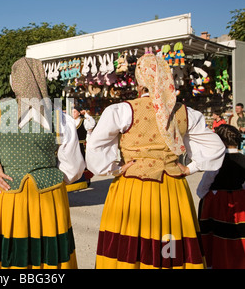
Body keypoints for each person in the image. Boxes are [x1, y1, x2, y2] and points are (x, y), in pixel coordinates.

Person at [86, 53, 225, 269]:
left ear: (140, 82)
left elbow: (95, 147)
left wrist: (113, 169)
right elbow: (216, 148)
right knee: (168, 243)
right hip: (172, 187)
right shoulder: (186, 113)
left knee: (132, 244)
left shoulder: (122, 110)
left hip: (132, 185)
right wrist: (190, 169)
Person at [0, 57, 85, 269]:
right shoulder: (59, 116)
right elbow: (74, 168)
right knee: (48, 253)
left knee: (7, 251)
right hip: (49, 196)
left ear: (14, 83)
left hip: (6, 191)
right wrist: (53, 179)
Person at [197, 124, 245, 269]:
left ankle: (214, 262)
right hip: (238, 201)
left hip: (216, 204)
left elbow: (203, 187)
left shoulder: (217, 159)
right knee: (236, 235)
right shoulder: (243, 159)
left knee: (215, 235)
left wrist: (211, 195)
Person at [66, 107, 96, 192]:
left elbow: (92, 124)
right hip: (73, 145)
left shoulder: (84, 121)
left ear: (79, 113)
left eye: (75, 112)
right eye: (72, 112)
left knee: (84, 162)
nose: (73, 114)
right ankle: (76, 180)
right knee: (75, 163)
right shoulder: (70, 122)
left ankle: (86, 179)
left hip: (82, 145)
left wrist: (86, 114)